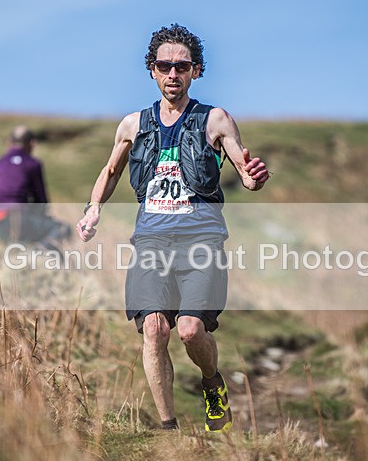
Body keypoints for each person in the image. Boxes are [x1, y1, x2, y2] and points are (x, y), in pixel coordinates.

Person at [76, 24, 269, 433]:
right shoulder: (133, 125)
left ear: (196, 70)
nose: (173, 73)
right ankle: (169, 431)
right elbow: (111, 171)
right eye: (164, 66)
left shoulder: (215, 119)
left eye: (182, 66)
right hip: (151, 241)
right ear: (152, 69)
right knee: (153, 328)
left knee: (190, 330)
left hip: (201, 240)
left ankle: (212, 381)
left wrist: (254, 179)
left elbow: (244, 172)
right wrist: (93, 210)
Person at [0, 125, 69, 250]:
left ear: (9, 142)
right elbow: (41, 201)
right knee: (62, 229)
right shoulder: (32, 164)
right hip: (14, 219)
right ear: (32, 143)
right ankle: (36, 254)